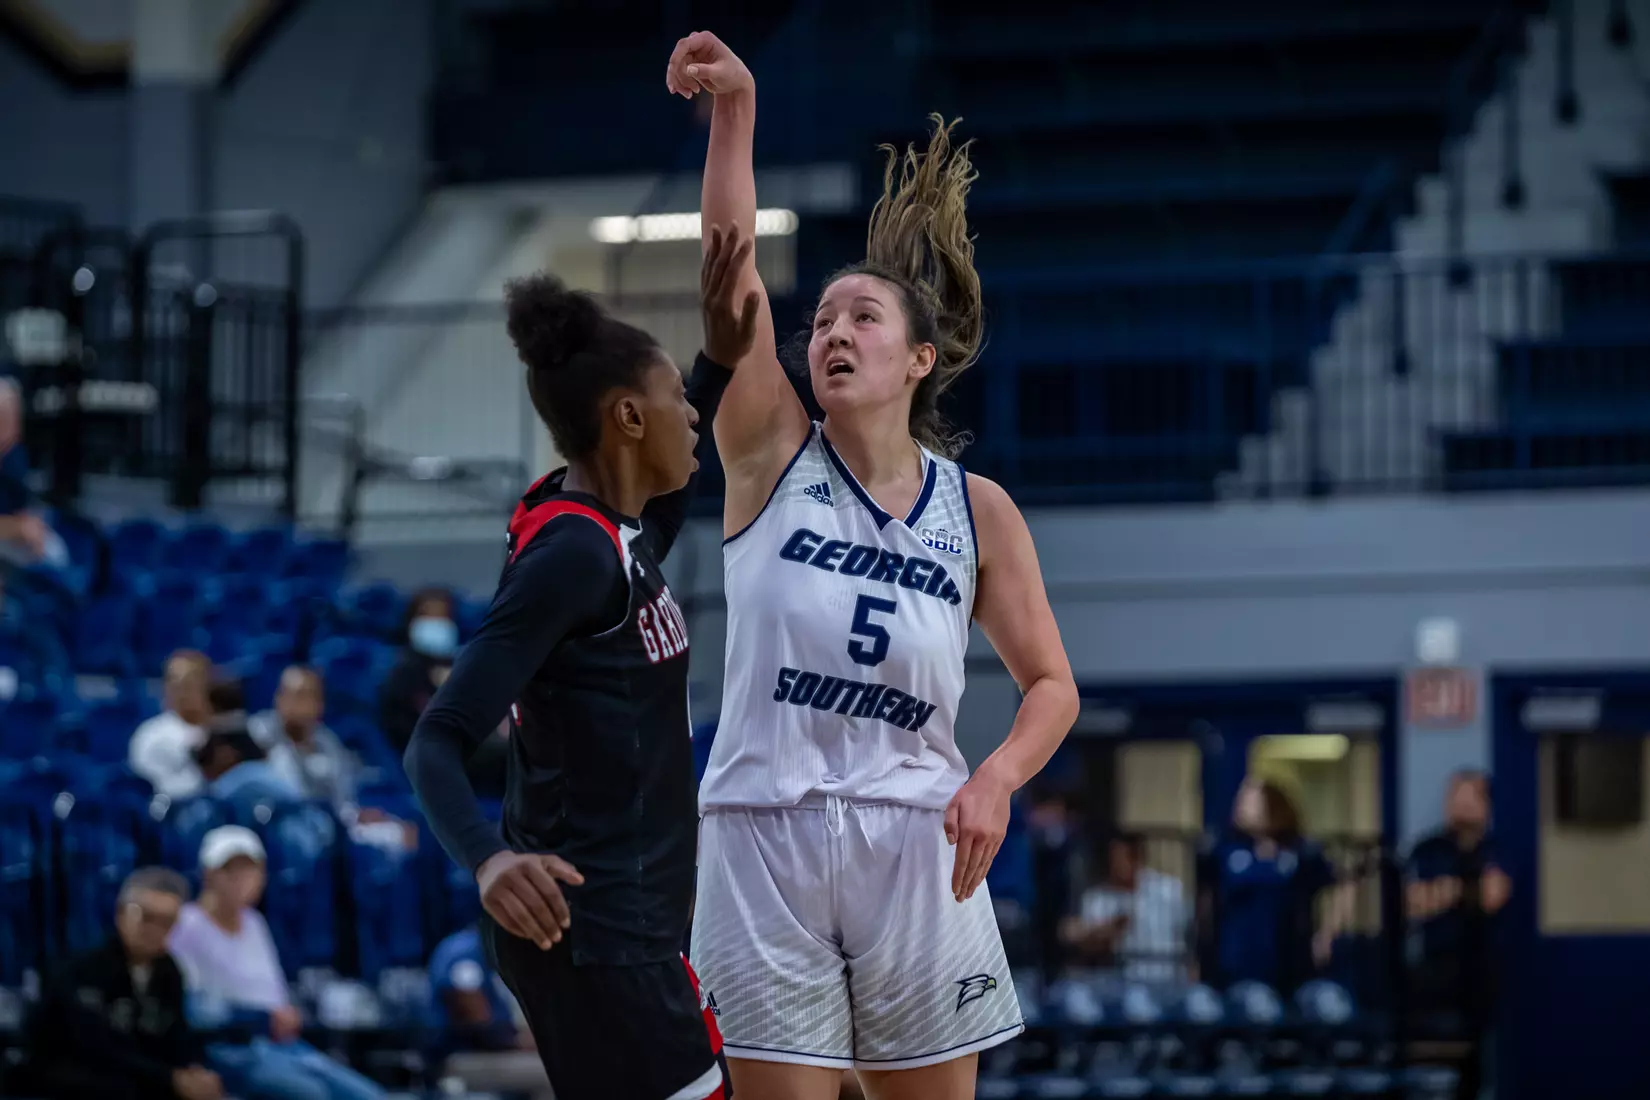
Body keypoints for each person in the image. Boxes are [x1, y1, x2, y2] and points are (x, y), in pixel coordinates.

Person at [667, 31, 1080, 1099]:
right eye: (822, 322)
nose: (831, 333)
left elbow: (1051, 684)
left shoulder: (976, 508)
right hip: (764, 834)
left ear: (920, 358)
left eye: (862, 317)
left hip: (916, 836)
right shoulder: (768, 452)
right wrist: (737, 111)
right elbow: (731, 271)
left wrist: (996, 777)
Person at [404, 226, 759, 1100]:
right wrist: (489, 860)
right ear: (628, 417)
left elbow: (666, 510)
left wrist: (714, 357)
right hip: (596, 932)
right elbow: (437, 738)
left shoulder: (609, 537)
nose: (694, 419)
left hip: (626, 931)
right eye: (678, 399)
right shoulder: (571, 555)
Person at [168, 826, 384, 1100]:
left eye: (250, 871)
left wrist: (285, 1015)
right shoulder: (187, 925)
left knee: (368, 1095)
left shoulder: (255, 923)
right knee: (311, 1095)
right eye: (230, 871)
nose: (241, 880)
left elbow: (274, 992)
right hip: (229, 1048)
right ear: (208, 874)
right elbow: (194, 1007)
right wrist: (259, 1019)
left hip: (281, 1046)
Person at [20, 866, 224, 1100]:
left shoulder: (170, 970)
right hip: (73, 1078)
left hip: (138, 1078)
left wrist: (192, 1070)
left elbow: (176, 1033)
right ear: (120, 913)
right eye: (145, 917)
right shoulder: (84, 969)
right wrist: (170, 1078)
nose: (155, 929)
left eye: (167, 921)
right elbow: (97, 1049)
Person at [1203, 778, 1337, 993]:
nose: (1240, 804)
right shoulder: (1226, 848)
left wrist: (1326, 935)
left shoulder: (1300, 851)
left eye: (1249, 799)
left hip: (1288, 959)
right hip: (1235, 959)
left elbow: (1338, 885)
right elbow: (1206, 898)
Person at [428, 924, 553, 1100]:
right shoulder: (465, 952)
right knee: (553, 1071)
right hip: (460, 1056)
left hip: (493, 1052)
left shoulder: (495, 950)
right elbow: (478, 1022)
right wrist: (523, 1042)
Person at [1062, 832, 1191, 984]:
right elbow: (1081, 942)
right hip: (1121, 985)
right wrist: (1110, 930)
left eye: (1120, 859)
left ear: (1136, 859)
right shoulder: (1096, 899)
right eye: (1112, 859)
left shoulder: (1168, 891)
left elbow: (1187, 936)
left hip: (1168, 981)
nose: (1115, 865)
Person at [130, 650, 216, 799]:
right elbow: (150, 791)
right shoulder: (152, 735)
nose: (181, 691)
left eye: (189, 683)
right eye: (174, 682)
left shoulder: (223, 730)